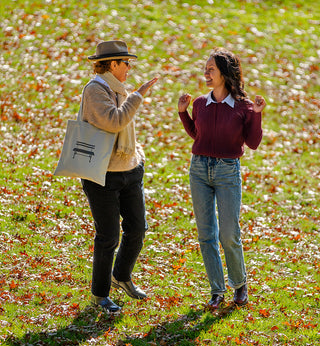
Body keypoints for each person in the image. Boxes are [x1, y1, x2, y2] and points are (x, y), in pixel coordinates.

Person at [178, 47, 266, 309]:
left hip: (228, 171)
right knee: (206, 235)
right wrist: (183, 112)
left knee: (228, 234)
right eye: (205, 69)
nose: (205, 73)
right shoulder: (199, 104)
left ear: (225, 74)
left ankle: (239, 285)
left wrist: (258, 115)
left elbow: (252, 142)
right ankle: (217, 291)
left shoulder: (244, 107)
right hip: (199, 170)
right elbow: (198, 135)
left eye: (211, 69)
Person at [81, 40, 158, 313]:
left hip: (130, 170)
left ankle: (121, 276)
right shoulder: (95, 91)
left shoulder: (119, 88)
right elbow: (114, 121)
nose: (129, 67)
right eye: (126, 63)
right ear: (113, 64)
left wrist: (138, 157)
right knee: (108, 237)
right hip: (102, 175)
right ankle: (99, 295)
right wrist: (138, 96)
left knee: (137, 229)